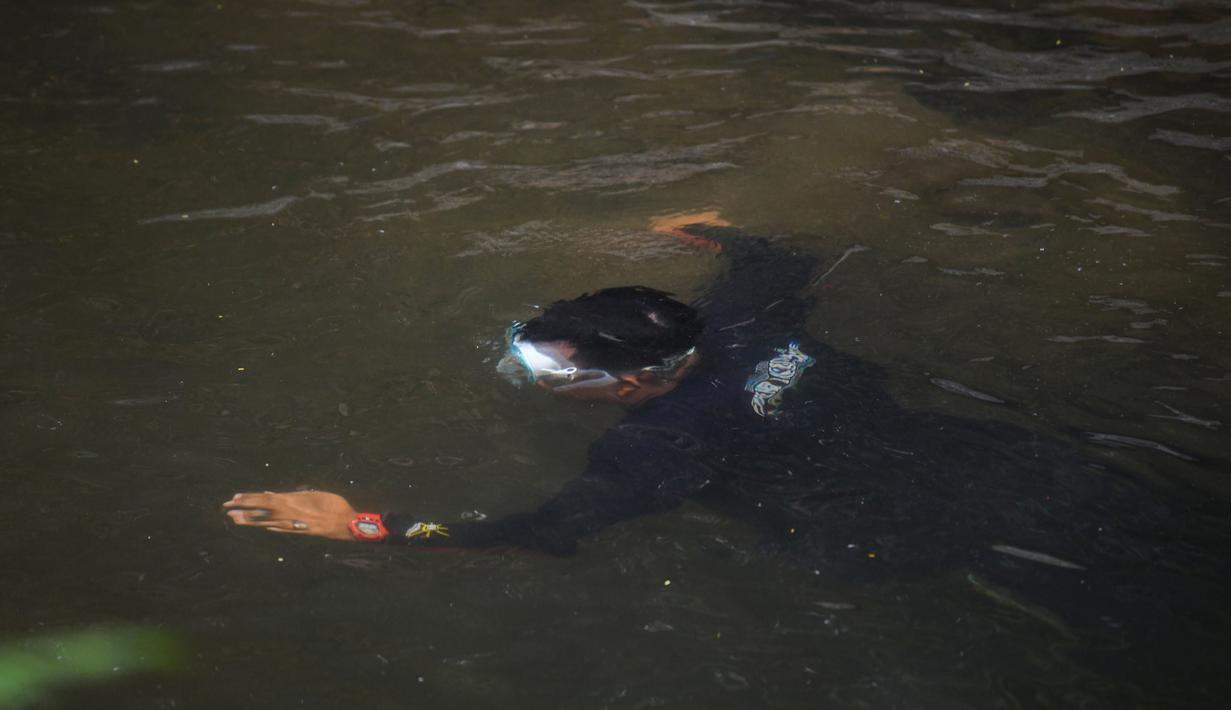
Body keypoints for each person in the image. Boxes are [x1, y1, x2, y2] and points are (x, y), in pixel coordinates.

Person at [222, 212, 1224, 604]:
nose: (527, 380)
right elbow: (775, 257)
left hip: (933, 530)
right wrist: (713, 228)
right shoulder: (740, 325)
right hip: (1013, 458)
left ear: (633, 381)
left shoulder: (656, 444)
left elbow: (537, 532)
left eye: (548, 374)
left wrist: (364, 525)